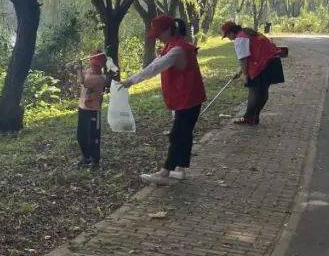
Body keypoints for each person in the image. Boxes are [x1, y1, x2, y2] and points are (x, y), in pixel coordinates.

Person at [121, 16, 206, 186]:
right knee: (184, 133)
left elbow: (154, 68)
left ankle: (165, 172)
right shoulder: (172, 45)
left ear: (168, 30)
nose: (157, 37)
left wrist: (130, 81)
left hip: (187, 98)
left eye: (159, 33)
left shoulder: (177, 50)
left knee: (177, 135)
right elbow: (156, 62)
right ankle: (180, 169)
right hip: (188, 97)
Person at [220, 20, 285, 125]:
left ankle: (249, 117)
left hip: (264, 64)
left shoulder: (240, 39)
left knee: (254, 91)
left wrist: (246, 75)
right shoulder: (248, 33)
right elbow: (251, 54)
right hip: (272, 62)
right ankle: (254, 116)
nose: (228, 38)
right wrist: (241, 71)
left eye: (227, 36)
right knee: (262, 91)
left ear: (231, 32)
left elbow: (244, 59)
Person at [76, 52, 111, 169]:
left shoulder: (100, 78)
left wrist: (79, 68)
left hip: (93, 111)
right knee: (81, 136)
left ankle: (95, 161)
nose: (95, 67)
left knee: (93, 137)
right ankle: (86, 158)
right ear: (90, 62)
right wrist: (75, 67)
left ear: (102, 66)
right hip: (83, 109)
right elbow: (81, 75)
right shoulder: (88, 71)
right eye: (93, 64)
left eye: (98, 65)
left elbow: (82, 81)